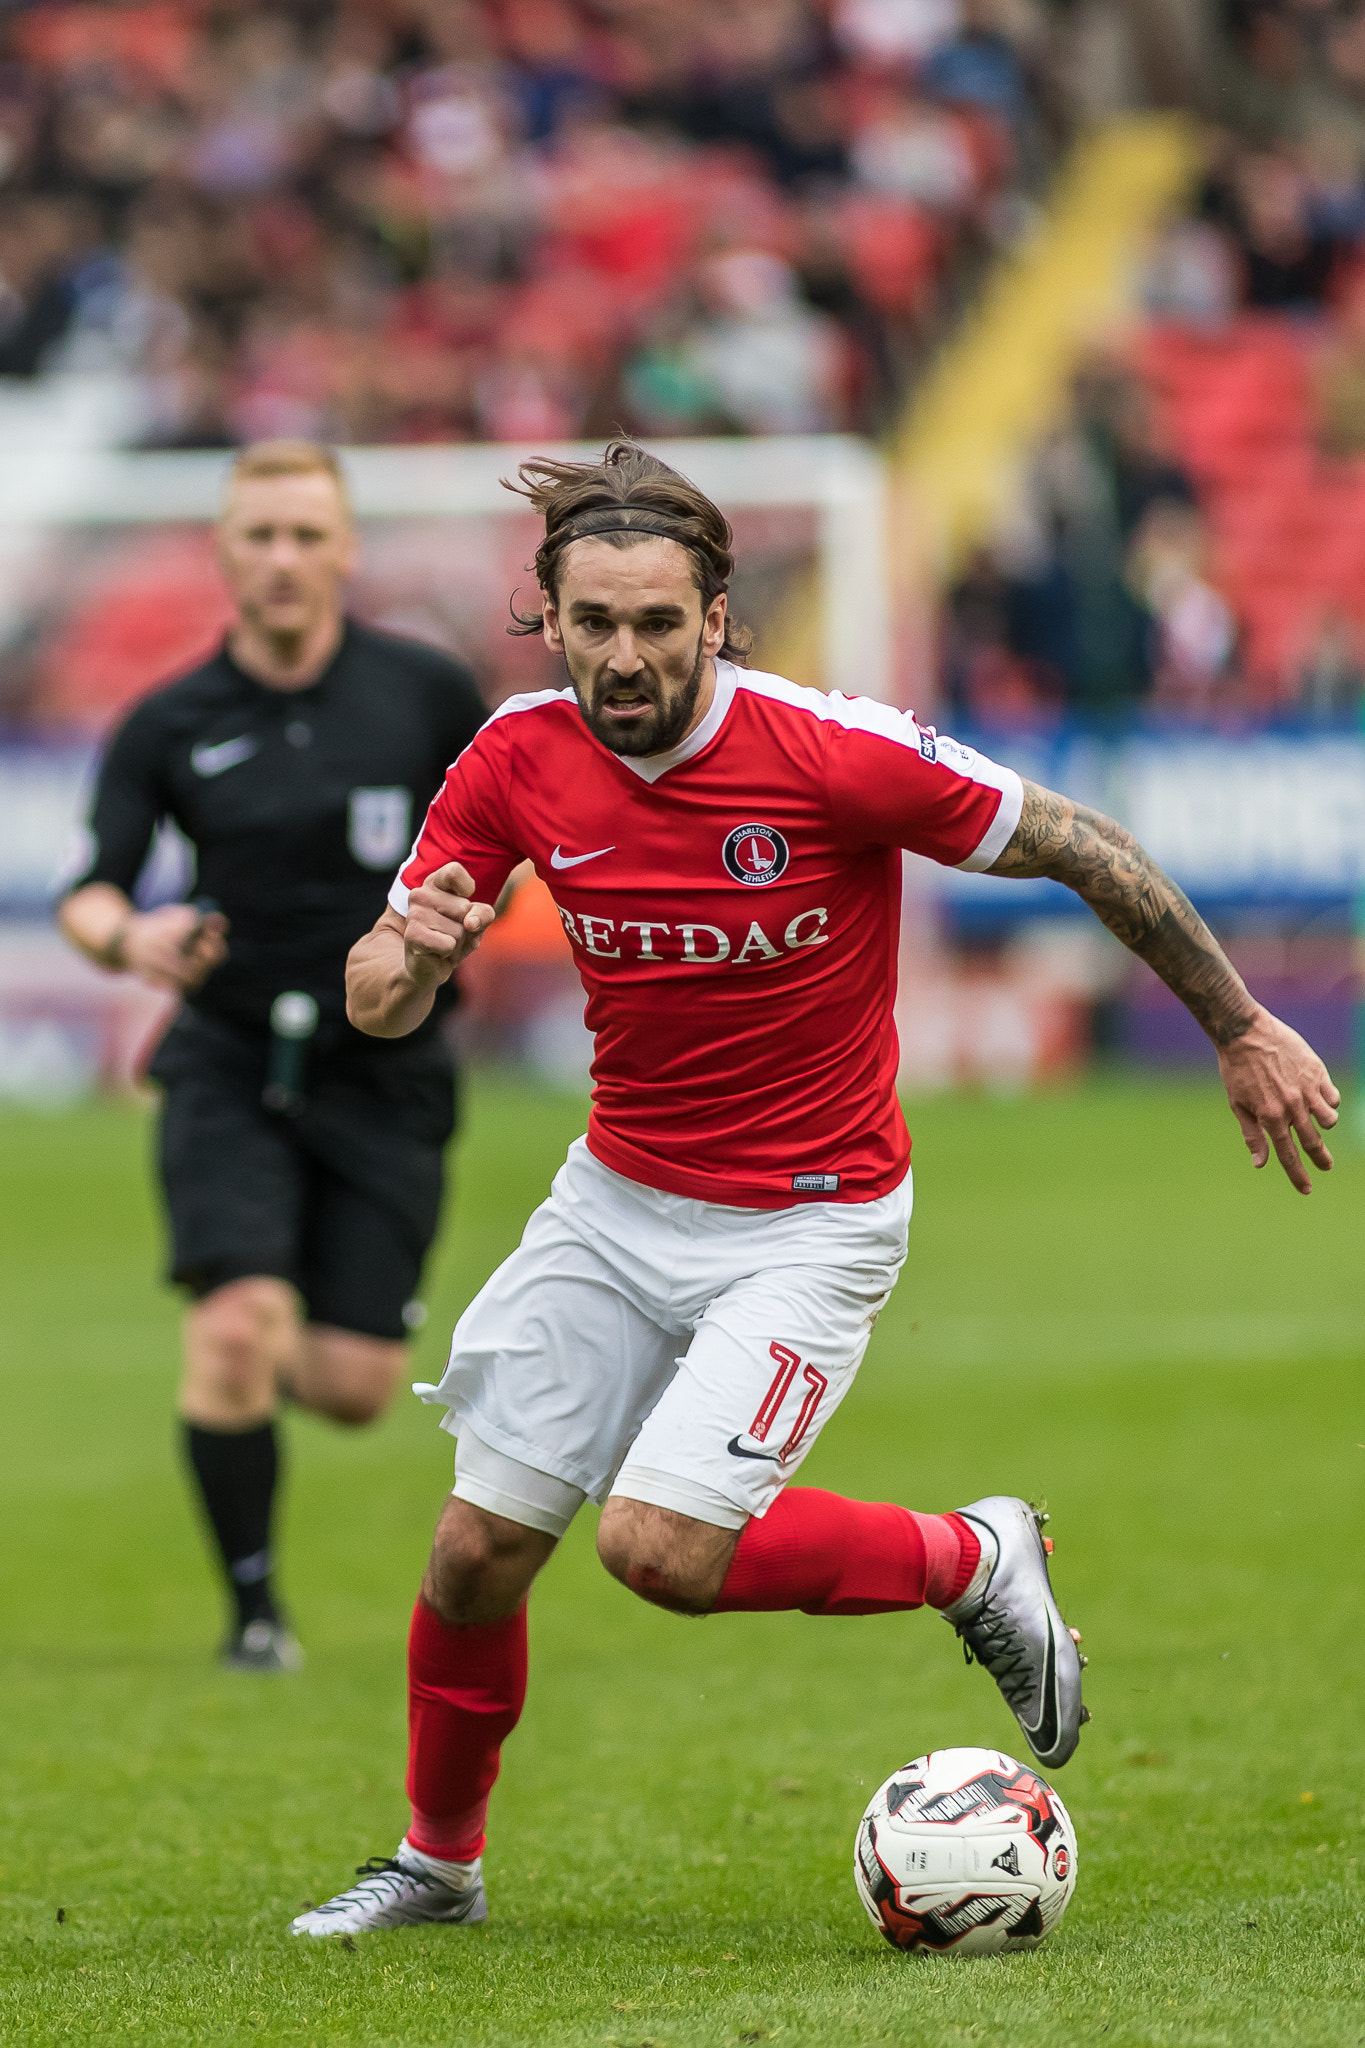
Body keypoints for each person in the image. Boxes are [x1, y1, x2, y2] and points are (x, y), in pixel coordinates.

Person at [292, 442, 1337, 1935]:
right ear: (553, 616)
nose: (628, 654)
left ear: (718, 615)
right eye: (597, 623)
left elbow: (1084, 847)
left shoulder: (829, 749)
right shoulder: (514, 758)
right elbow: (375, 993)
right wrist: (412, 961)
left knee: (656, 1551)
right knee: (473, 1551)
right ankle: (437, 1869)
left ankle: (969, 1557)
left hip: (810, 1215)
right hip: (617, 1195)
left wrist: (1235, 1026)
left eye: (661, 623)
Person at [57, 440, 486, 1672]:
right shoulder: (168, 719)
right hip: (229, 1057)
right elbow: (91, 889)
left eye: (308, 535)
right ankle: (254, 1613)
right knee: (235, 1326)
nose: (285, 559)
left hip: (386, 1064)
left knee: (355, 1385)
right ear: (224, 553)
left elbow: (516, 835)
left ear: (347, 550)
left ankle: (269, 1324)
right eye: (262, 535)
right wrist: (130, 934)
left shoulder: (423, 694)